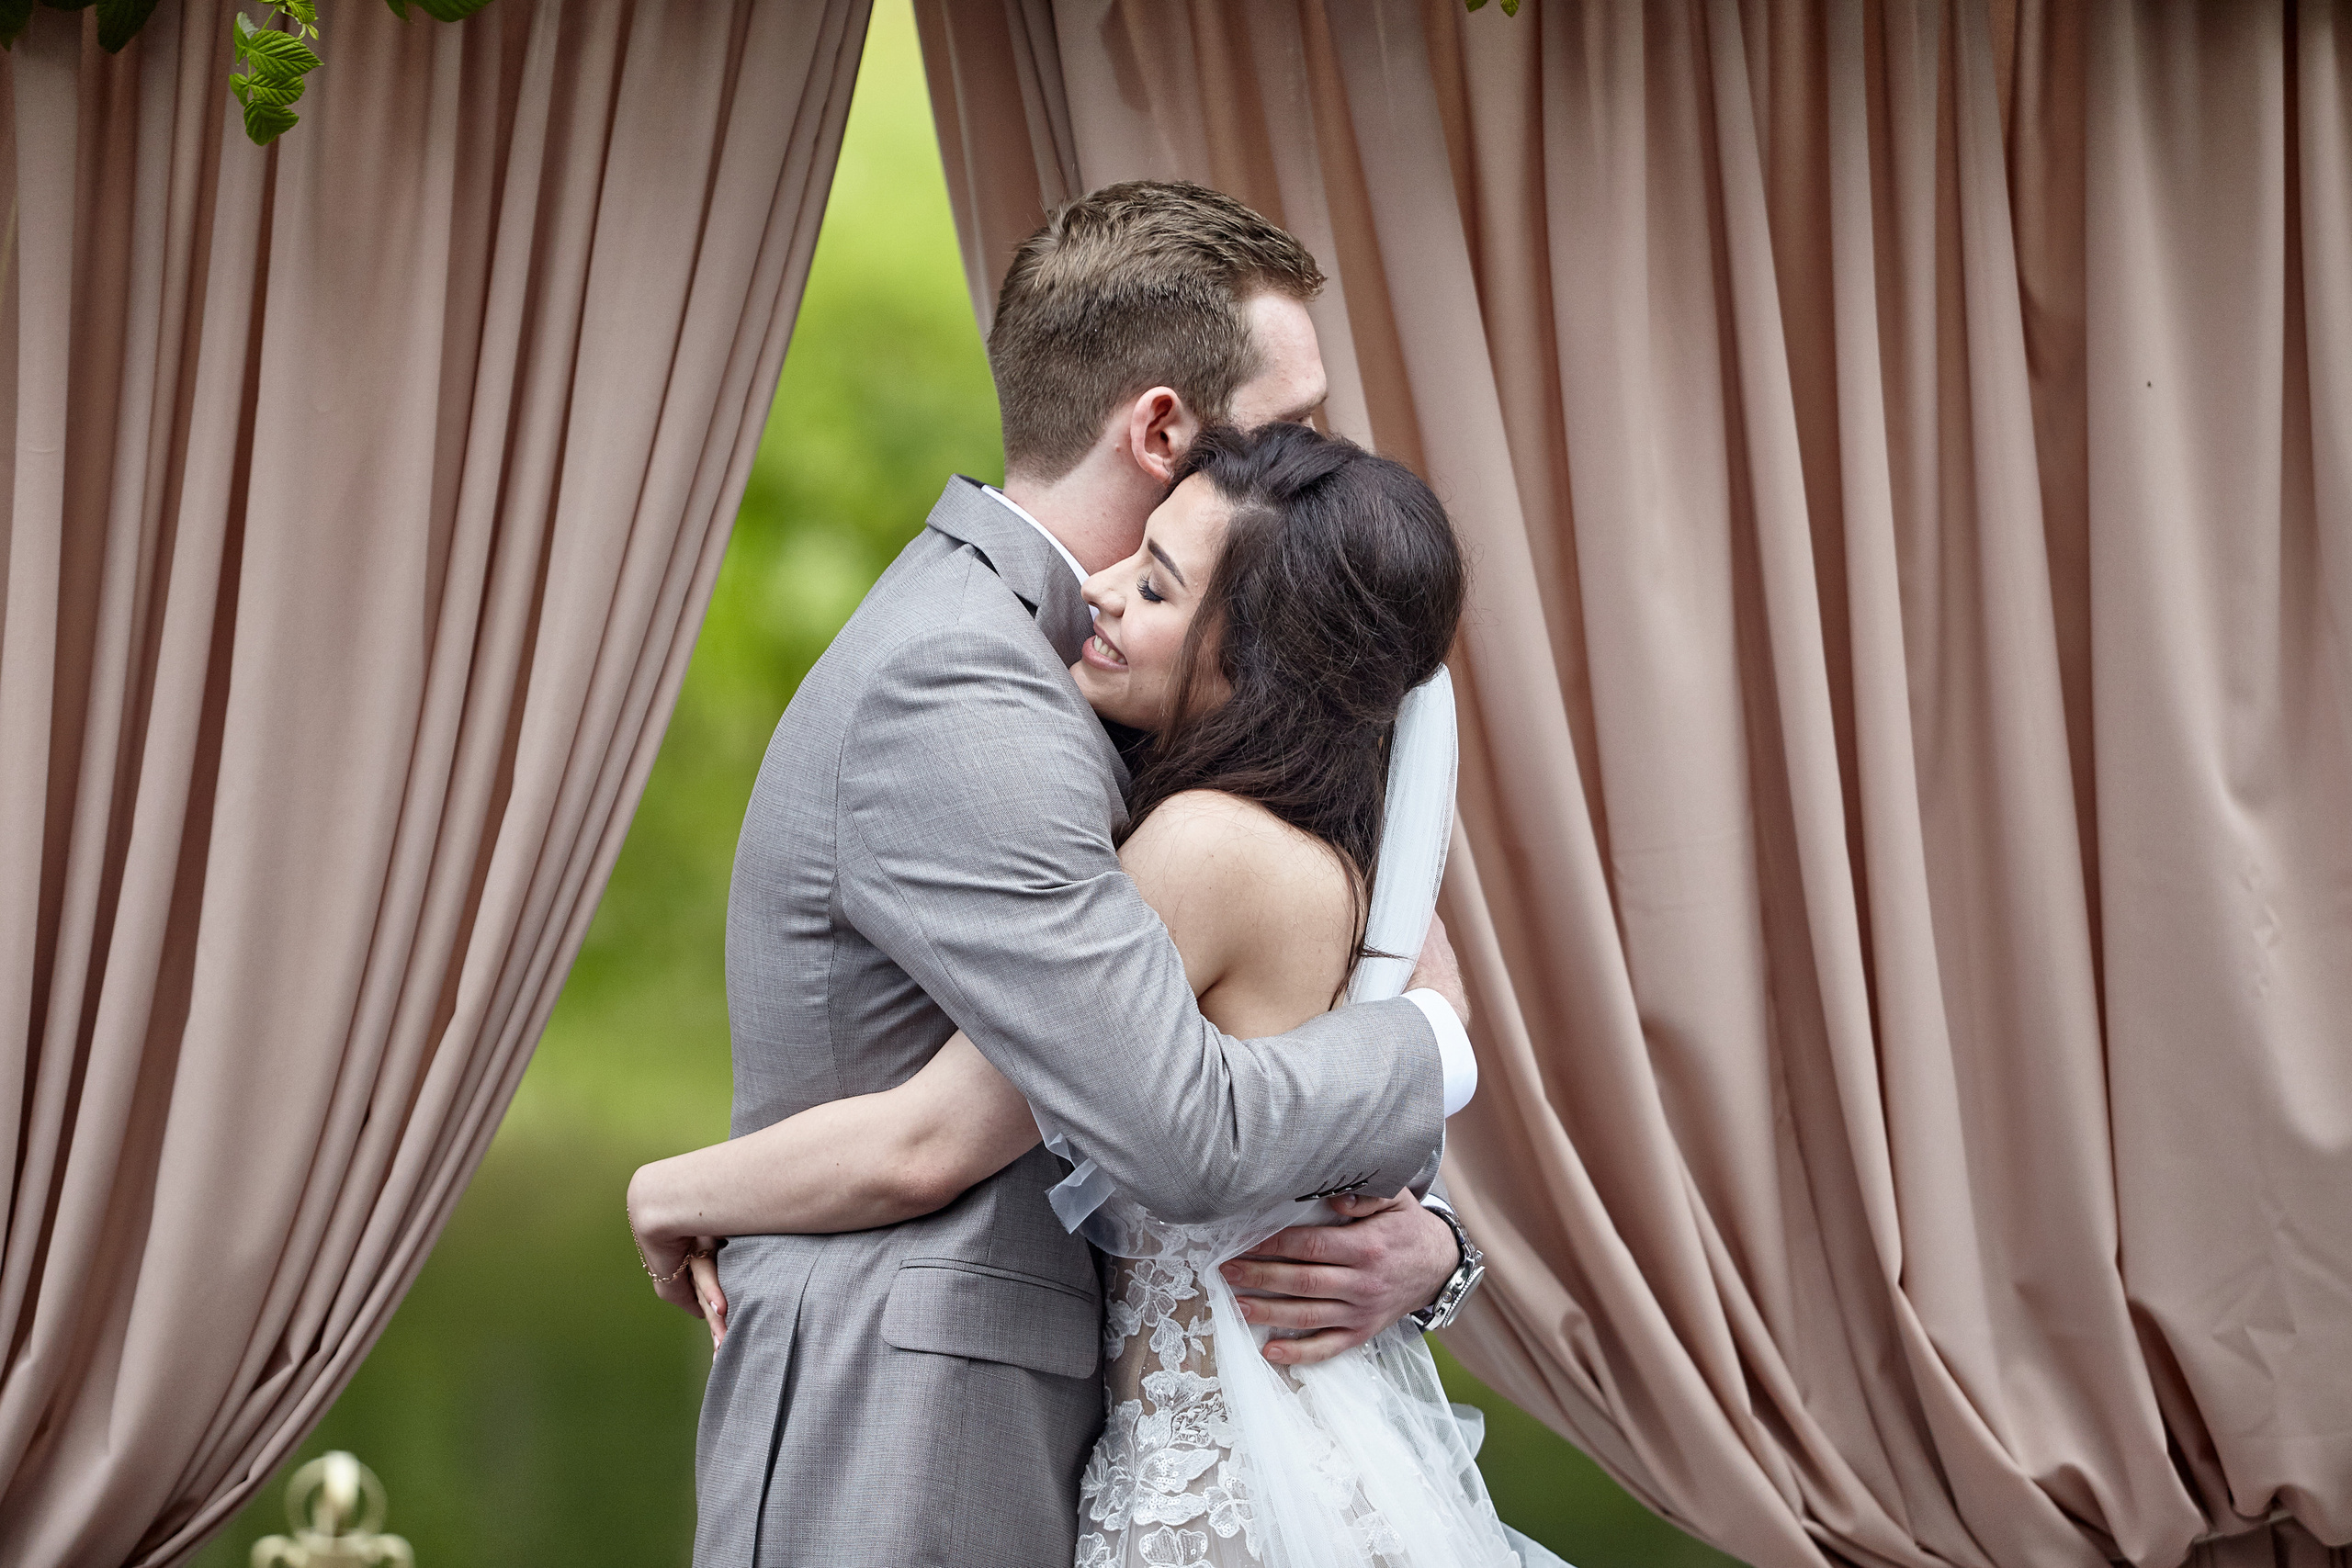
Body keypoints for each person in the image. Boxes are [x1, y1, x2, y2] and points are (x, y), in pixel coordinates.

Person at [633, 183, 1488, 1566]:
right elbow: (1167, 1122)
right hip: (910, 1429)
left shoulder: (1156, 724)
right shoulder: (964, 681)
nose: (1326, 462)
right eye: (1296, 421)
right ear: (1165, 430)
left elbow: (1271, 1026)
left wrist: (1431, 1250)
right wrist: (1435, 1047)